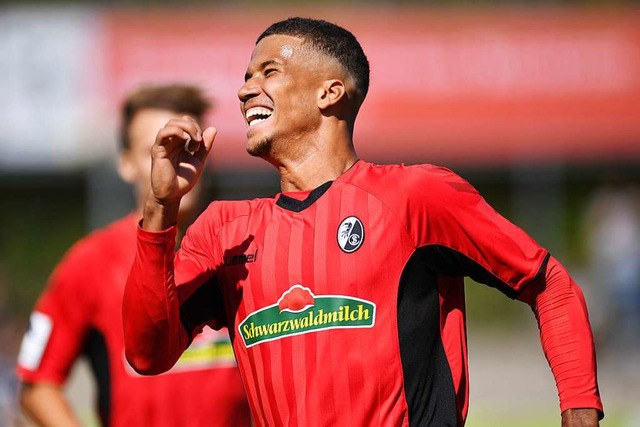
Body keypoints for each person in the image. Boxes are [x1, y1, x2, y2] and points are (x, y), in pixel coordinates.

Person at [122, 18, 604, 427]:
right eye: (247, 77)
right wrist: (161, 209)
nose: (246, 89)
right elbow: (148, 354)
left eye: (269, 71)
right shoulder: (225, 230)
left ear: (330, 92)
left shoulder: (415, 196)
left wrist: (579, 407)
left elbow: (549, 284)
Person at [16, 84, 252, 427]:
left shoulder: (241, 248)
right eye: (157, 150)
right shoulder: (91, 260)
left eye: (189, 147)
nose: (175, 162)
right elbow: (37, 384)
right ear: (126, 164)